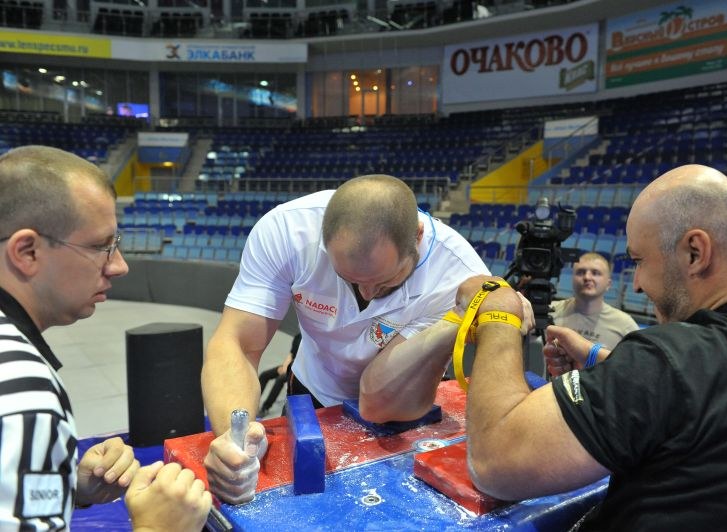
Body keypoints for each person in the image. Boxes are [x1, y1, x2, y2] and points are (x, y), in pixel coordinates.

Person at [459, 164, 727, 530]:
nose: (636, 284)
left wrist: (499, 313)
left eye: (639, 261)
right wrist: (604, 361)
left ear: (694, 252)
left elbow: (495, 461)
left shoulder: (667, 360)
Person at [201, 174, 492, 504]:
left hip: (401, 405)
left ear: (418, 237)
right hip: (312, 388)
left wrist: (453, 320)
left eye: (384, 281)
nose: (367, 293)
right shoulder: (288, 231)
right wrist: (235, 441)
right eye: (349, 279)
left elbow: (378, 399)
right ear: (323, 242)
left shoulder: (456, 276)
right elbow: (238, 344)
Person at [0, 145, 211, 530]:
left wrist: (63, 482)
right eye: (101, 246)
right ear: (27, 251)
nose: (119, 266)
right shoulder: (24, 394)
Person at [550, 252, 638, 350]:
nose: (587, 277)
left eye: (595, 273)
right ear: (572, 279)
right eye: (581, 272)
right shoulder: (550, 312)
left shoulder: (625, 325)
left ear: (608, 284)